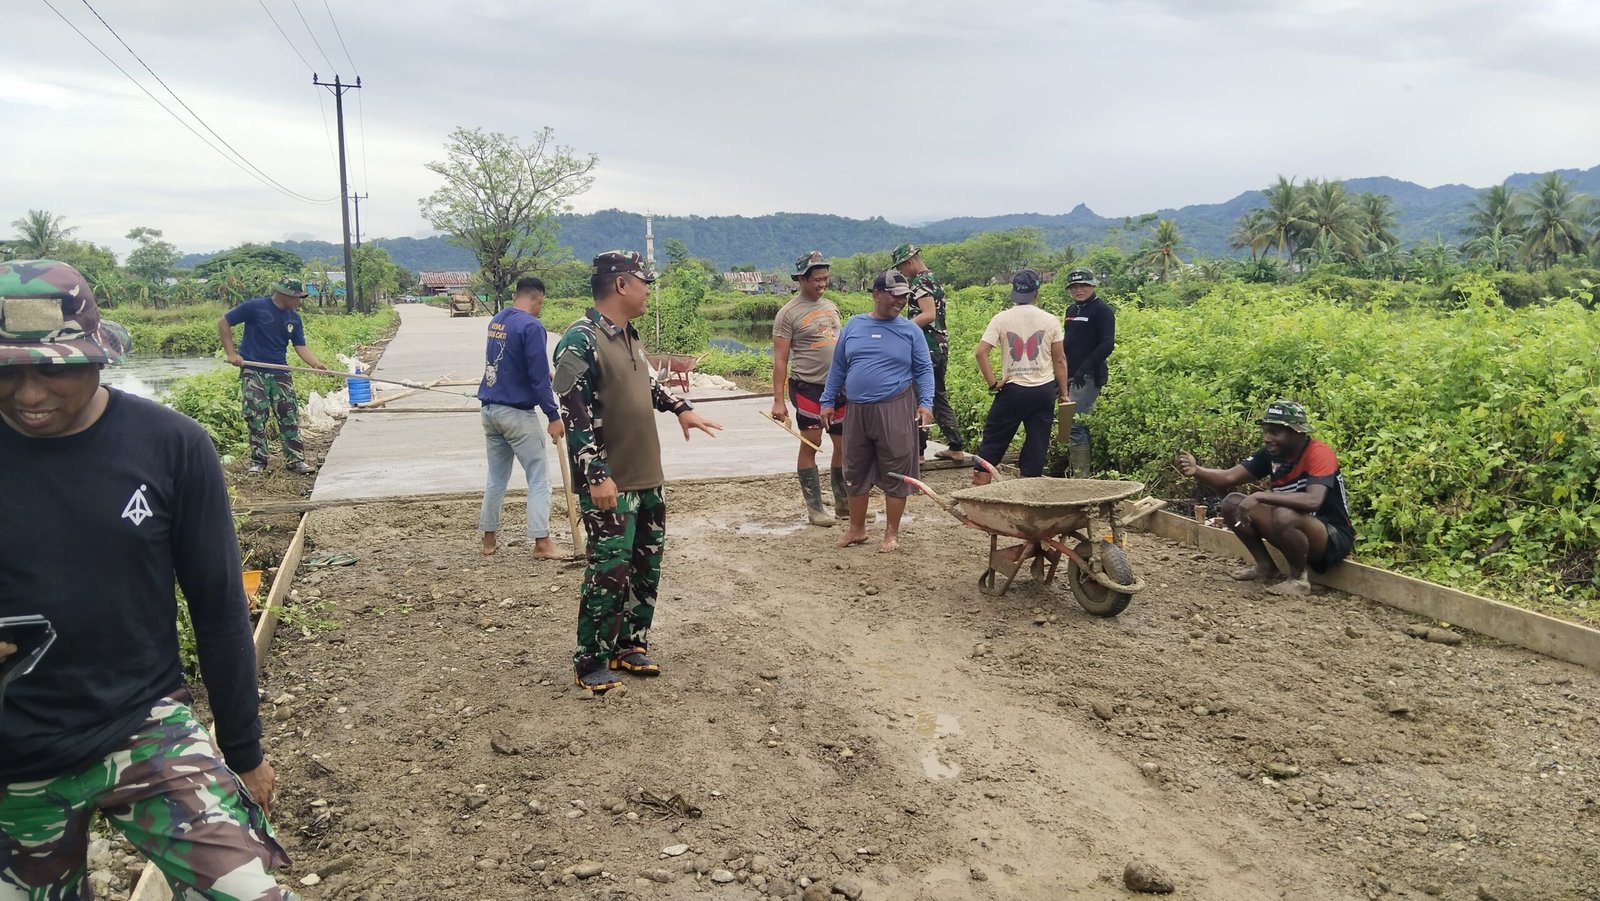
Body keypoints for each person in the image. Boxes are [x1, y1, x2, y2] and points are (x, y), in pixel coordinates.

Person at [0, 260, 291, 897]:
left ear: (98, 356)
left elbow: (218, 606)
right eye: (6, 372)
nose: (29, 394)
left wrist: (243, 749)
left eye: (53, 370)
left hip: (145, 726)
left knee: (249, 890)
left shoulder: (170, 444)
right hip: (13, 758)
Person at [553, 251, 723, 692]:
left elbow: (644, 384)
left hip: (647, 477)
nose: (648, 289)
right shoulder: (579, 339)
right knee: (609, 571)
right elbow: (573, 414)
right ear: (621, 285)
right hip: (612, 480)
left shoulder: (629, 335)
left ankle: (629, 645)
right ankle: (591, 660)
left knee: (645, 568)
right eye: (644, 282)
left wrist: (680, 407)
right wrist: (596, 474)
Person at [1175, 400, 1356, 596]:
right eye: (1266, 431)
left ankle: (1298, 580)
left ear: (1297, 432)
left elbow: (1313, 501)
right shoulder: (1272, 454)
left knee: (1284, 514)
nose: (1267, 438)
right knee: (1232, 503)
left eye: (1275, 433)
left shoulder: (1319, 453)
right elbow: (1227, 478)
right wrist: (1197, 470)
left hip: (1332, 537)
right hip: (1291, 527)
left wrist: (1261, 496)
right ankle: (1266, 566)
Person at [820, 270, 934, 553]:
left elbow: (924, 369)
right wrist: (827, 400)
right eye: (895, 296)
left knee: (896, 467)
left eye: (904, 297)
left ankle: (891, 533)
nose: (901, 302)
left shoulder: (910, 330)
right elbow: (839, 367)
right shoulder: (854, 326)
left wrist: (926, 403)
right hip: (857, 409)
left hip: (895, 407)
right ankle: (856, 529)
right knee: (855, 467)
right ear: (877, 294)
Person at [476, 276, 565, 558]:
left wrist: (545, 374)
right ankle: (542, 543)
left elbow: (510, 362)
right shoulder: (532, 326)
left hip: (490, 410)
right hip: (516, 414)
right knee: (539, 477)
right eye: (541, 304)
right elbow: (538, 378)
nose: (540, 308)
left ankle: (489, 540)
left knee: (496, 478)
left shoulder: (498, 321)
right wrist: (553, 415)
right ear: (538, 298)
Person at [217, 277, 331, 474]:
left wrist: (315, 364)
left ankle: (295, 460)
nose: (299, 301)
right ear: (284, 294)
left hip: (280, 371)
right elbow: (224, 322)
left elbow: (300, 346)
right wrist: (232, 354)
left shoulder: (294, 318)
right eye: (297, 297)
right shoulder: (255, 307)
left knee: (288, 414)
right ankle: (258, 461)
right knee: (255, 415)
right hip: (254, 370)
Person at [971, 268, 1070, 483]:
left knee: (992, 443)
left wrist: (993, 384)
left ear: (1014, 292)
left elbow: (981, 352)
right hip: (1044, 391)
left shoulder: (1001, 318)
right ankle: (1027, 496)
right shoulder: (1050, 320)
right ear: (1037, 293)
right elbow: (1059, 359)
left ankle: (978, 494)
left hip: (1013, 390)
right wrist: (1063, 394)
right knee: (1037, 445)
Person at [770, 251, 845, 526]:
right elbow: (780, 360)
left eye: (825, 278)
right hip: (808, 387)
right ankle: (815, 508)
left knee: (844, 444)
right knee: (812, 442)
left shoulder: (832, 307)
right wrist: (778, 400)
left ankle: (845, 504)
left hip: (839, 387)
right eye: (817, 279)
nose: (822, 283)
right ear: (802, 279)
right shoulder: (787, 314)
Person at [890, 243, 967, 462]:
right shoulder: (933, 278)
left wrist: (900, 328)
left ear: (909, 262)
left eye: (901, 267)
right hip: (939, 347)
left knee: (918, 397)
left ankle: (918, 452)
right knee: (937, 396)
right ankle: (955, 446)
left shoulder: (920, 282)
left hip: (926, 347)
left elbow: (928, 314)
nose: (901, 272)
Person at [1058, 267, 1115, 477]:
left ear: (1093, 285)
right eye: (1074, 286)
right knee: (1068, 422)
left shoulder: (1102, 310)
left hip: (1088, 375)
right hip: (1069, 373)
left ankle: (1081, 476)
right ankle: (1075, 468)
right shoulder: (1071, 310)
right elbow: (1068, 342)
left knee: (1075, 422)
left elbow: (1107, 344)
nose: (1078, 290)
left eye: (1083, 285)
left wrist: (1085, 367)